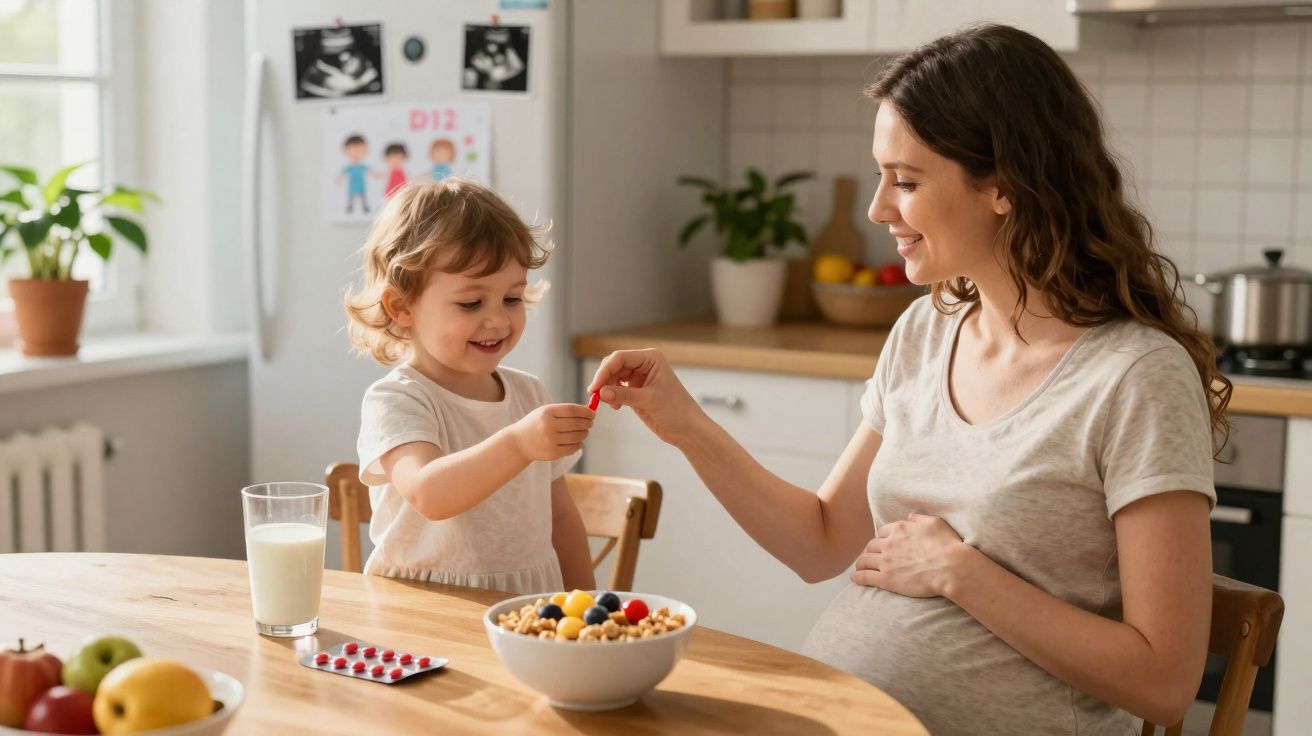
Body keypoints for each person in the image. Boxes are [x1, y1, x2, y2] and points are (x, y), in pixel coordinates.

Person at [587, 24, 1225, 735]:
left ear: (1004, 188)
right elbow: (821, 542)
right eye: (881, 175)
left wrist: (960, 573)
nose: (878, 208)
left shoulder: (1133, 376)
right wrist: (686, 426)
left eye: (907, 181)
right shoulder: (927, 330)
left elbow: (1165, 682)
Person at [345, 178, 595, 594]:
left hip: (527, 603)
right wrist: (517, 444)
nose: (497, 320)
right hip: (423, 611)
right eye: (471, 303)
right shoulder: (398, 400)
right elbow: (429, 493)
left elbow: (562, 519)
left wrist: (589, 606)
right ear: (402, 306)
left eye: (512, 299)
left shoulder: (529, 395)